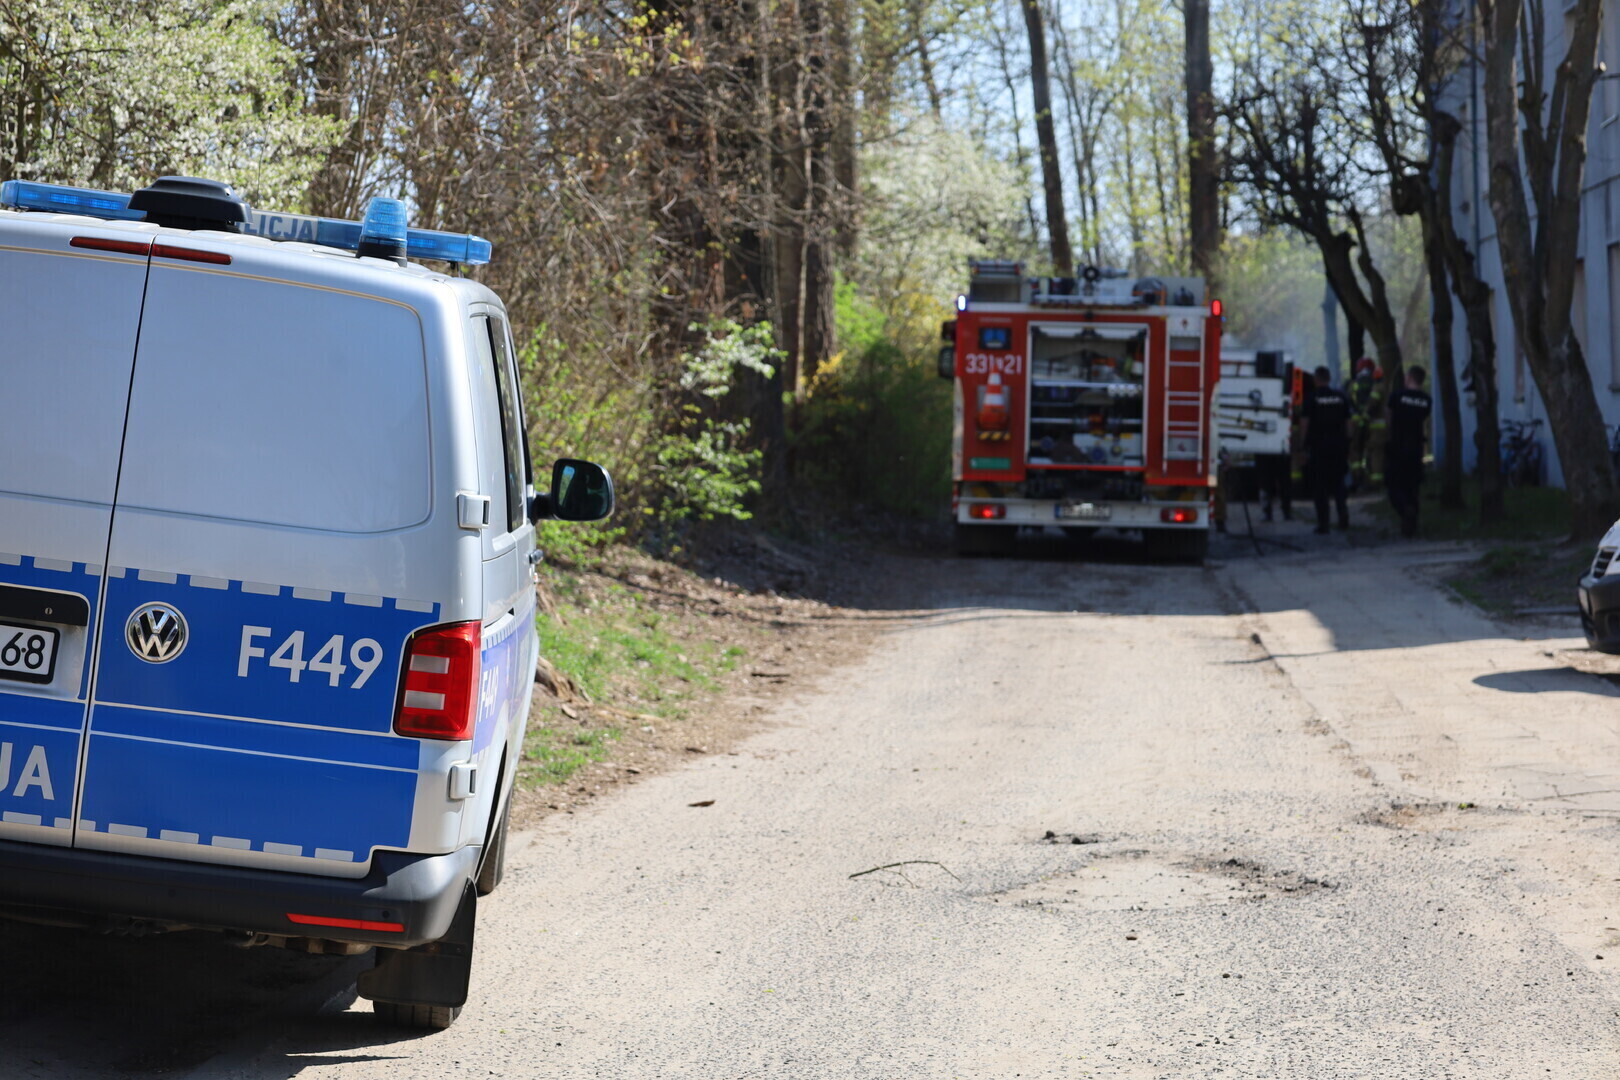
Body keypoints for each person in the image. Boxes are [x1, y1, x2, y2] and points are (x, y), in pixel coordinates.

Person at [1301, 365, 1352, 534]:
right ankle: (1343, 514)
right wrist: (1348, 442)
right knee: (1338, 484)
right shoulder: (1340, 397)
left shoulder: (1311, 398)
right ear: (1329, 379)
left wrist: (1303, 443)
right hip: (1338, 446)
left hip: (1319, 447)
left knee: (1320, 487)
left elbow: (1305, 422)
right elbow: (1348, 422)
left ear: (1316, 380)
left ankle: (1324, 523)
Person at [1385, 366, 1433, 538]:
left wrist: (1388, 439)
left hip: (1398, 446)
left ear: (1410, 377)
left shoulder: (1397, 396)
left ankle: (1405, 509)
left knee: (1394, 485)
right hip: (1416, 447)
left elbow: (1389, 418)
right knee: (1413, 487)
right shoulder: (1426, 400)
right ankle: (1411, 525)